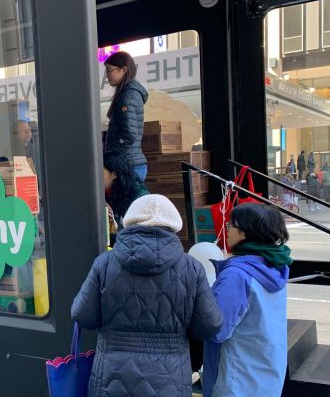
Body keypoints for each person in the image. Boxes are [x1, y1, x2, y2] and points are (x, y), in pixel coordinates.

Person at [72, 194, 223, 397]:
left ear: (130, 221)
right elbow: (210, 324)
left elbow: (82, 314)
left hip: (111, 379)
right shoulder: (191, 268)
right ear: (174, 226)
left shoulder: (105, 263)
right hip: (170, 380)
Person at [203, 203, 292, 397]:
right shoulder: (274, 267)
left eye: (230, 225)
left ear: (244, 233)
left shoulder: (236, 275)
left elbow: (217, 329)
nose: (226, 230)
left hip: (236, 379)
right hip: (266, 373)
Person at [103, 51, 148, 182]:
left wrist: (114, 151)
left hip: (129, 166)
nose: (107, 75)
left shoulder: (127, 96)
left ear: (123, 70)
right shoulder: (129, 94)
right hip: (131, 164)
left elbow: (130, 134)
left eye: (109, 70)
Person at [103, 150, 149, 232]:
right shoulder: (102, 193)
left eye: (100, 172)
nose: (95, 177)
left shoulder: (138, 197)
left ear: (114, 174)